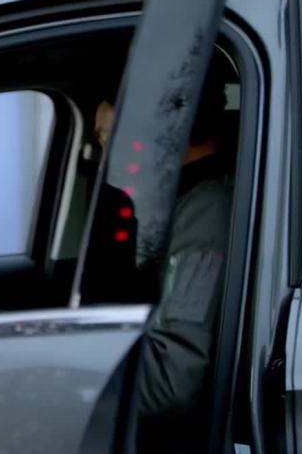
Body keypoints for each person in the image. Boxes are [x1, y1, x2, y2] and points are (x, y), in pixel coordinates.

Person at [94, 59, 235, 453]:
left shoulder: (207, 212)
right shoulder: (179, 204)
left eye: (109, 138)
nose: (103, 160)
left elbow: (172, 379)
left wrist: (68, 381)